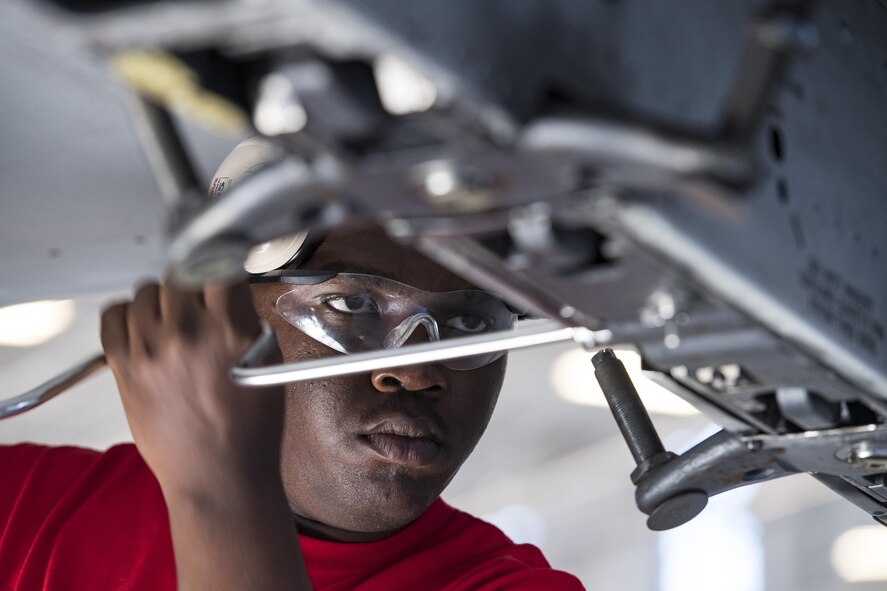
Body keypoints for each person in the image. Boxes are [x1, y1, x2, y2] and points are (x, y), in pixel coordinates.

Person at [0, 142, 585, 591]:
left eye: (470, 325)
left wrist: (217, 491)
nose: (417, 371)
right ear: (220, 311)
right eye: (353, 305)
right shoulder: (21, 507)